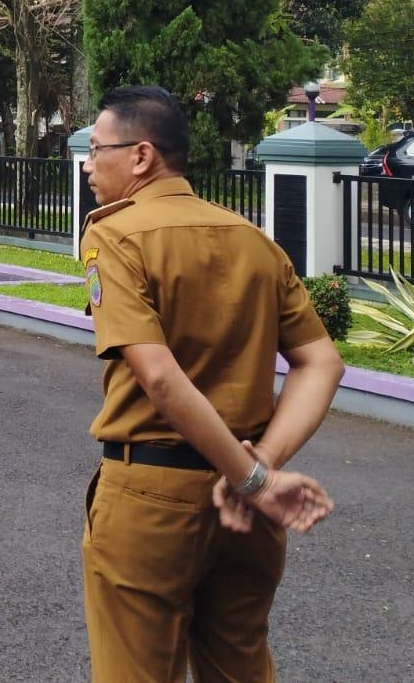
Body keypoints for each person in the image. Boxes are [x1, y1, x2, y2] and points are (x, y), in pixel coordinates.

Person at [77, 85, 341, 681]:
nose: (90, 164)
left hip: (154, 498)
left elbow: (160, 379)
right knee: (239, 667)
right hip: (245, 515)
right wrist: (261, 468)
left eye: (98, 149)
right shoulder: (252, 239)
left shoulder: (116, 235)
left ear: (141, 156)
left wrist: (250, 477)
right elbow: (322, 362)